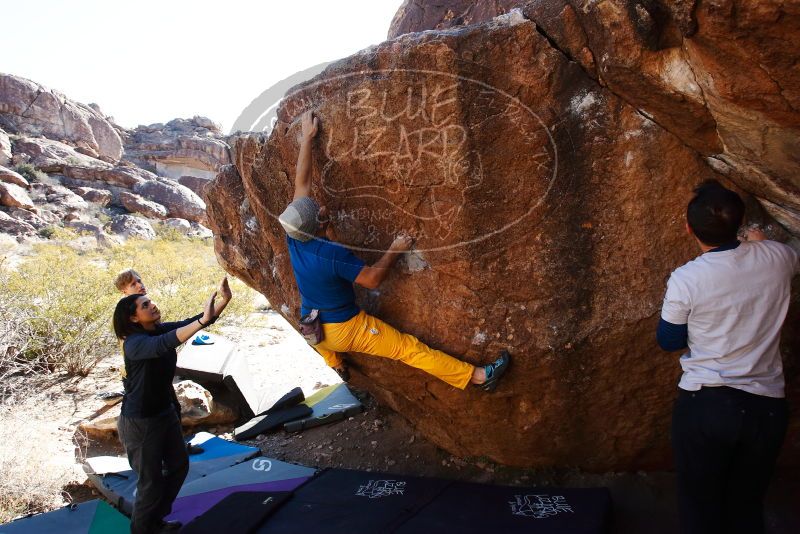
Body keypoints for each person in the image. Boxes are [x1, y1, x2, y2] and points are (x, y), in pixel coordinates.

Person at [277, 110, 509, 391]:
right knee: (407, 348)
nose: (316, 204)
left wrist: (307, 139)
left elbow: (302, 183)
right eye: (317, 211)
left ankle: (335, 363)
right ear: (316, 223)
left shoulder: (293, 234)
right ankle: (479, 377)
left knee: (320, 328)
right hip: (345, 329)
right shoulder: (330, 254)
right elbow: (372, 280)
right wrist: (395, 248)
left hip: (314, 329)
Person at [657, 180, 798, 534]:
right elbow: (785, 254)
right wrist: (759, 242)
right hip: (766, 407)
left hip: (707, 403)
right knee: (747, 505)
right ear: (740, 224)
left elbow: (669, 340)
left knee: (700, 507)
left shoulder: (687, 279)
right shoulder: (778, 259)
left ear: (689, 228)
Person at [113, 277, 232, 533]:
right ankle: (144, 528)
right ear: (134, 318)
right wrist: (201, 321)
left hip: (164, 413)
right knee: (151, 481)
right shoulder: (134, 344)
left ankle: (155, 518)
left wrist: (224, 301)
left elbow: (200, 320)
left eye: (150, 301)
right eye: (145, 305)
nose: (152, 305)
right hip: (140, 421)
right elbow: (164, 344)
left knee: (179, 465)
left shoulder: (158, 329)